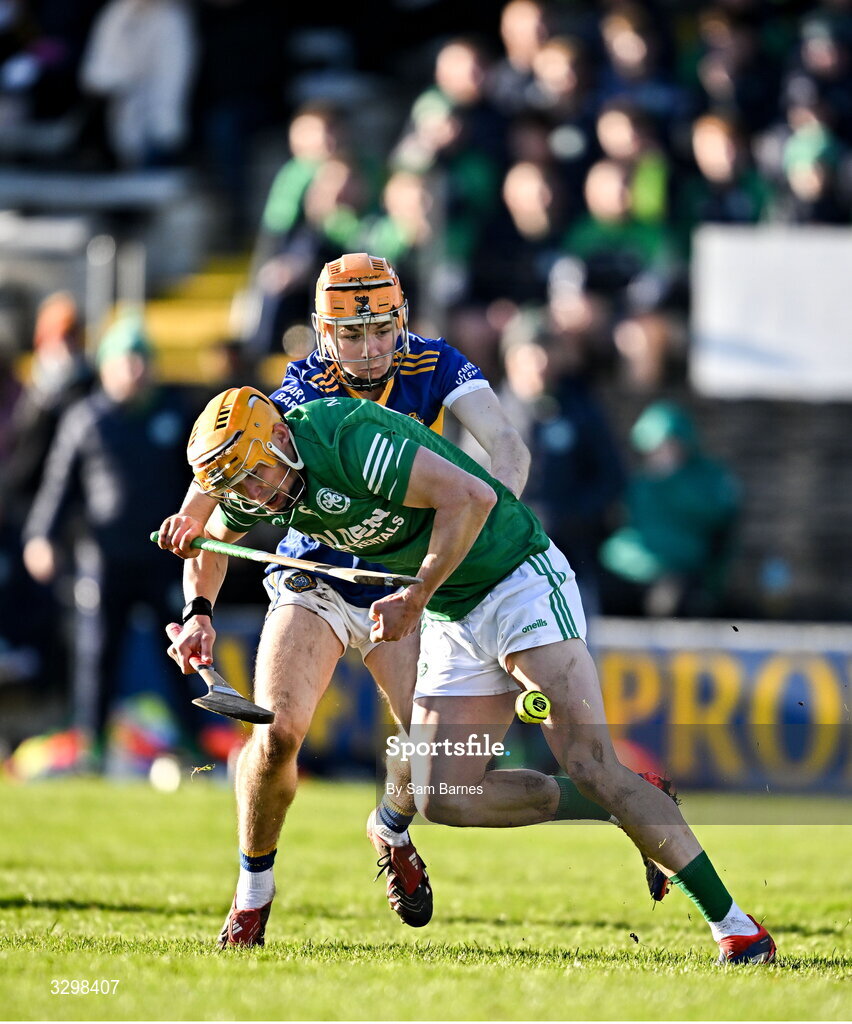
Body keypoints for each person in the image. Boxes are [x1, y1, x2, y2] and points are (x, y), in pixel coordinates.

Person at [160, 384, 776, 966]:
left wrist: (417, 594)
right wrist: (197, 614)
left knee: (589, 760)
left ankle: (738, 930)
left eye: (255, 475)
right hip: (455, 611)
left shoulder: (349, 440)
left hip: (517, 580)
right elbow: (212, 543)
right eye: (238, 485)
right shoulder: (259, 480)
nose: (256, 495)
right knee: (444, 797)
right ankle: (621, 803)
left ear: (276, 442)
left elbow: (474, 498)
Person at [161, 253, 532, 939]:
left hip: (403, 584)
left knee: (432, 764)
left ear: (403, 323)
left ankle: (390, 829)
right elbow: (232, 457)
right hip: (317, 578)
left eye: (380, 332)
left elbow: (506, 446)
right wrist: (193, 533)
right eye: (349, 335)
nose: (366, 351)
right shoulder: (305, 383)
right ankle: (252, 893)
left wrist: (488, 530)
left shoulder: (439, 364)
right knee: (277, 734)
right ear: (321, 333)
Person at [21, 311, 202, 766]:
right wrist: (42, 537)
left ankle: (195, 742)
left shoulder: (175, 417)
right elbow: (58, 488)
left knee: (179, 655)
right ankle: (94, 746)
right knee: (98, 655)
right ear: (106, 365)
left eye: (143, 358)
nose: (136, 369)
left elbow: (201, 485)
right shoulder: (86, 419)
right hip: (104, 560)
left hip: (165, 558)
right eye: (126, 359)